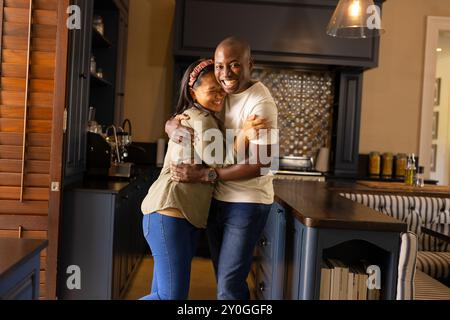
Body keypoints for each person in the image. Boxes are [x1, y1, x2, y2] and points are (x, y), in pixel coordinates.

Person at [167, 37, 278, 300]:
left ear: (250, 64)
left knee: (228, 287)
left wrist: (207, 175)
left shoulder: (260, 103)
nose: (225, 74)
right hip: (217, 199)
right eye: (219, 66)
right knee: (225, 282)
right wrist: (170, 125)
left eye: (234, 65)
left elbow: (261, 164)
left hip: (247, 202)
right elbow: (191, 108)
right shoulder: (221, 92)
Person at [139, 59, 227, 300]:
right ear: (193, 92)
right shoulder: (201, 120)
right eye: (212, 91)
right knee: (171, 298)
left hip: (175, 216)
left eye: (221, 88)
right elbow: (224, 165)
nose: (219, 95)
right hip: (170, 215)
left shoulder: (193, 117)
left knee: (161, 294)